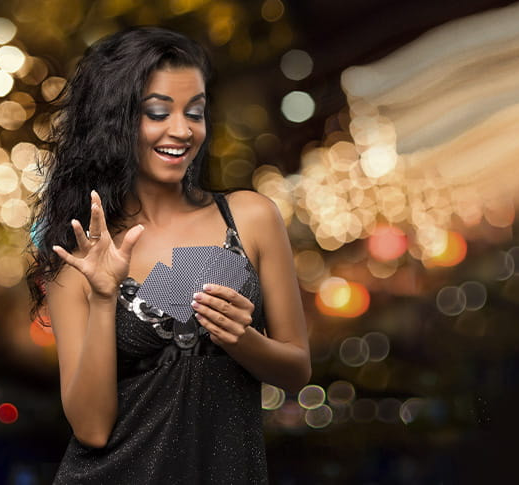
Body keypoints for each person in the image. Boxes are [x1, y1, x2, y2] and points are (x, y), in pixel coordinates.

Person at [26, 26, 311, 484]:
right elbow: (92, 429)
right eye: (158, 113)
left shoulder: (252, 217)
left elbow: (297, 372)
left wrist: (242, 339)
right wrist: (103, 297)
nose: (182, 130)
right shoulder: (80, 250)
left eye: (194, 112)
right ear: (114, 121)